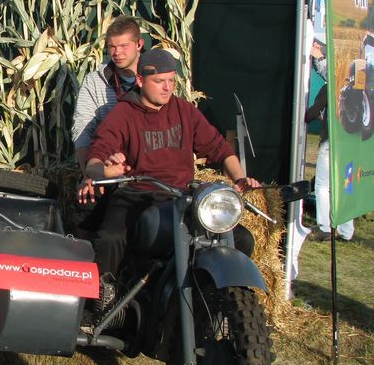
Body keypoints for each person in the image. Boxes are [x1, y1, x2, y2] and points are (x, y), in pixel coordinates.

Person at [80, 48, 260, 278]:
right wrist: (100, 171)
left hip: (181, 197)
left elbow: (220, 149)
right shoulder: (123, 113)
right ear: (140, 80)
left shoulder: (184, 110)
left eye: (171, 81)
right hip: (136, 194)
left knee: (241, 239)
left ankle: (215, 296)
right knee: (110, 239)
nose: (167, 88)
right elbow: (96, 156)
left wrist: (239, 177)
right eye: (159, 81)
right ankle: (102, 300)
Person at [72, 15, 145, 174]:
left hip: (147, 164)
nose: (117, 52)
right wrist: (89, 175)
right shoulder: (93, 81)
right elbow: (83, 128)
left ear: (139, 44)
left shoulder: (156, 78)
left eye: (124, 46)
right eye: (112, 46)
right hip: (107, 163)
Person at [305, 40, 354, 242]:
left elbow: (312, 113)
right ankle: (346, 230)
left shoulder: (331, 87)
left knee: (323, 185)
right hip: (351, 143)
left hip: (331, 143)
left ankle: (325, 227)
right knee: (346, 185)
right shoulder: (359, 88)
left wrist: (314, 116)